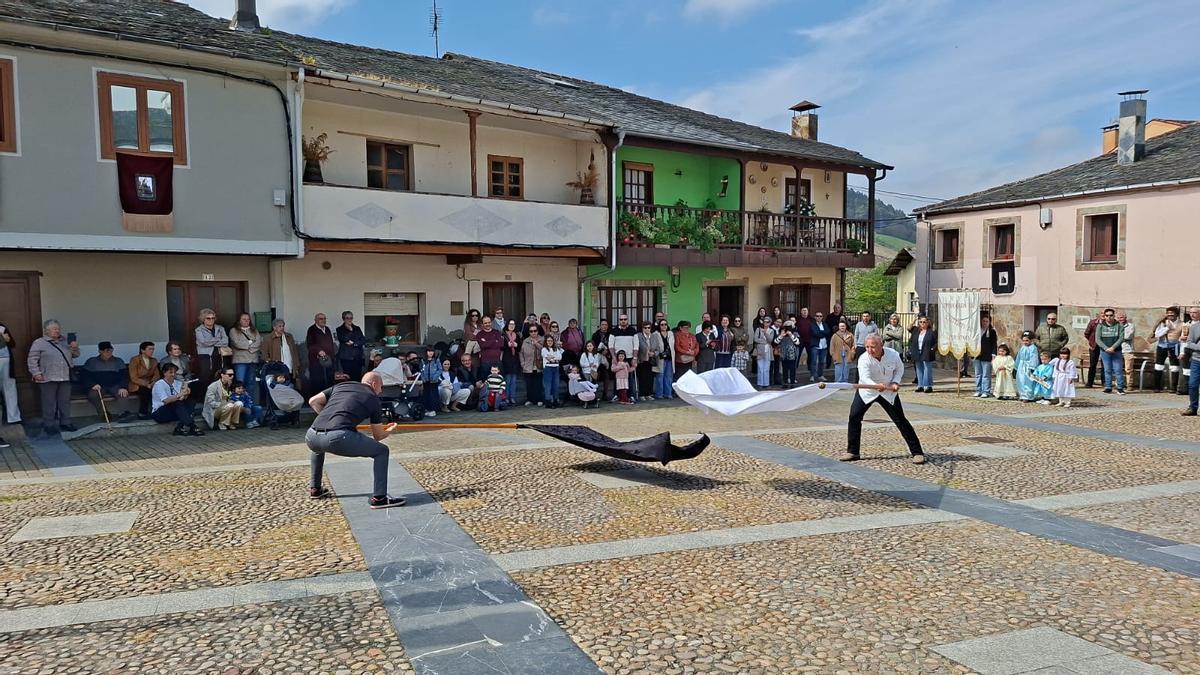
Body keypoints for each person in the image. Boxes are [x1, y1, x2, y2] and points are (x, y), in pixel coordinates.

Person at [306, 372, 404, 509]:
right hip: (338, 437)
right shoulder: (372, 398)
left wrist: (330, 419)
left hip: (312, 436)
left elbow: (313, 401)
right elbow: (378, 436)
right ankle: (379, 498)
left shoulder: (341, 386)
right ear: (374, 384)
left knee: (318, 448)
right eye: (381, 387)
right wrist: (390, 430)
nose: (381, 391)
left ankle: (315, 489)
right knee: (382, 451)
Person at [841, 334, 925, 464]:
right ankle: (853, 451)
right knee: (854, 416)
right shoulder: (864, 359)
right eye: (867, 347)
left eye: (873, 347)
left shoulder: (893, 355)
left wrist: (895, 382)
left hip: (888, 392)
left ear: (881, 345)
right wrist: (876, 386)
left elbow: (899, 369)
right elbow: (864, 377)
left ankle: (917, 452)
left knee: (900, 420)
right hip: (867, 391)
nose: (869, 350)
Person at [28, 320, 79, 435]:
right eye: (54, 328)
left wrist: (74, 348)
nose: (57, 331)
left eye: (58, 328)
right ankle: (49, 424)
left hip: (64, 376)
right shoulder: (39, 343)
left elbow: (75, 355)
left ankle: (65, 422)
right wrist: (36, 373)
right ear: (46, 330)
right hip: (48, 377)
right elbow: (32, 359)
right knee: (49, 402)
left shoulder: (65, 341)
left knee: (64, 401)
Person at [81, 341, 133, 421]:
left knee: (123, 393)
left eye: (110, 350)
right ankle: (104, 414)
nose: (109, 352)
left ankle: (124, 414)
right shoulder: (92, 361)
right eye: (106, 351)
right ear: (100, 351)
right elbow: (85, 376)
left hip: (115, 385)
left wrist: (123, 387)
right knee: (93, 395)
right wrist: (92, 384)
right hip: (99, 386)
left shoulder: (118, 361)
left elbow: (124, 376)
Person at [150, 363, 202, 436]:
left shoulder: (178, 383)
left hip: (175, 410)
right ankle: (192, 426)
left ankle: (179, 428)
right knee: (177, 403)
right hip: (160, 412)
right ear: (164, 373)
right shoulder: (159, 384)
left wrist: (186, 393)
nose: (173, 375)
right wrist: (179, 395)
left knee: (190, 402)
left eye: (175, 372)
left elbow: (181, 399)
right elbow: (166, 401)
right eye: (170, 372)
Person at [229, 313, 262, 404]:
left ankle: (250, 402)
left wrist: (248, 345)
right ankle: (239, 403)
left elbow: (258, 342)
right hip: (240, 361)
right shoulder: (233, 331)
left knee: (251, 383)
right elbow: (237, 343)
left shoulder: (254, 330)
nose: (246, 321)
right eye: (244, 319)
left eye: (248, 319)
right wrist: (251, 344)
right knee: (240, 383)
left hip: (253, 360)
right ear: (239, 320)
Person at [263, 319, 302, 392]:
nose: (282, 328)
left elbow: (294, 352)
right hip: (277, 369)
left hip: (290, 366)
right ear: (274, 327)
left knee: (291, 387)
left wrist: (296, 365)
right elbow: (264, 353)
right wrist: (269, 361)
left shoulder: (289, 336)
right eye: (280, 326)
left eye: (283, 326)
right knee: (278, 388)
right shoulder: (268, 338)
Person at [194, 309, 229, 387]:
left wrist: (211, 342)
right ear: (203, 319)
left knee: (219, 376)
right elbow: (203, 342)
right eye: (208, 318)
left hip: (219, 355)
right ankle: (206, 397)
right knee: (206, 377)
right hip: (205, 356)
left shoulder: (220, 328)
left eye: (213, 318)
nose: (211, 320)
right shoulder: (199, 330)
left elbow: (225, 341)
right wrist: (217, 339)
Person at [1095, 308, 1126, 394]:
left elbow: (1121, 338)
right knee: (1107, 369)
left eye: (1111, 315)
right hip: (1105, 352)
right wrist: (1106, 348)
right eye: (1107, 315)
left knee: (1118, 369)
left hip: (1116, 351)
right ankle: (1108, 387)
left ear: (1114, 316)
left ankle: (1120, 387)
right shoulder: (1100, 326)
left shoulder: (1119, 325)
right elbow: (1097, 339)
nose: (1109, 317)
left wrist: (1113, 347)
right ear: (1104, 316)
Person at [126, 341, 161, 419]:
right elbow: (133, 377)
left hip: (150, 382)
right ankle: (142, 413)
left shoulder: (154, 360)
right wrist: (146, 384)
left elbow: (156, 374)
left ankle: (158, 411)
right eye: (150, 349)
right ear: (143, 350)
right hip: (137, 383)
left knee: (158, 389)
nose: (152, 351)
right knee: (145, 391)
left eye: (153, 349)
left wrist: (153, 382)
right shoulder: (135, 360)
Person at [608, 314, 639, 400]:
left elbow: (636, 345)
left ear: (627, 320)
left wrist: (635, 358)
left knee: (629, 377)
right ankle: (616, 395)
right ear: (619, 320)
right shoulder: (614, 331)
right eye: (621, 319)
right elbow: (610, 345)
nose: (623, 321)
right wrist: (613, 357)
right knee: (617, 377)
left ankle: (630, 395)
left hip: (629, 357)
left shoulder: (633, 331)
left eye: (625, 319)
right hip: (618, 358)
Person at [306, 313, 337, 395]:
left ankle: (329, 399)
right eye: (320, 319)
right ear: (315, 320)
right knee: (318, 381)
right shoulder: (312, 330)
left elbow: (330, 343)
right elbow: (310, 344)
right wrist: (319, 350)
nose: (323, 320)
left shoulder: (327, 329)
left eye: (324, 318)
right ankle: (317, 401)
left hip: (328, 360)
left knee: (329, 380)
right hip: (317, 361)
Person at [0, 320, 23, 433]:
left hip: (7, 361)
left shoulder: (1, 326)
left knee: (10, 388)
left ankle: (14, 417)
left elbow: (12, 343)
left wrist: (7, 340)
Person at [1153, 306, 1183, 391]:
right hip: (1162, 346)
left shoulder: (1182, 324)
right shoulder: (1162, 323)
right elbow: (1157, 334)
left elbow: (1182, 336)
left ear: (1177, 315)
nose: (1170, 316)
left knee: (1175, 367)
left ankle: (1173, 387)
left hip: (1175, 347)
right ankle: (1157, 387)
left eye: (1172, 315)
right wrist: (1166, 328)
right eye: (1168, 315)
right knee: (1158, 366)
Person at [909, 316, 937, 393]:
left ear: (928, 323)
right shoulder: (916, 331)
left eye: (924, 322)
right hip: (917, 351)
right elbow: (909, 329)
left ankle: (928, 386)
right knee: (919, 369)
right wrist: (914, 320)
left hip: (927, 351)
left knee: (927, 369)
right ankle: (920, 385)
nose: (922, 324)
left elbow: (936, 342)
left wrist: (932, 349)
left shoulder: (931, 332)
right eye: (920, 322)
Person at [336, 311, 366, 381]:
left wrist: (354, 343)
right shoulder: (339, 329)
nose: (349, 320)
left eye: (351, 318)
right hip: (346, 358)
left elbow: (363, 340)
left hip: (358, 357)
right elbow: (344, 339)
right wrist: (350, 331)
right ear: (343, 319)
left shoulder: (357, 328)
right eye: (347, 318)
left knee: (358, 377)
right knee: (348, 378)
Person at [650, 320, 675, 399]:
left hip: (670, 357)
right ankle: (659, 394)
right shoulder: (655, 334)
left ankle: (668, 393)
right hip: (660, 357)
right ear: (659, 326)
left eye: (665, 324)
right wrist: (656, 354)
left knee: (669, 377)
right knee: (660, 376)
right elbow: (653, 347)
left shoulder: (671, 334)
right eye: (662, 324)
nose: (664, 326)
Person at [1182, 306, 1200, 416]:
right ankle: (1193, 407)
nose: (1192, 315)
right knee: (1192, 385)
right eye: (1191, 313)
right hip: (1196, 360)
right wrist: (1198, 347)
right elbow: (1189, 343)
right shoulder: (1194, 328)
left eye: (1195, 312)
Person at [475, 316, 504, 382]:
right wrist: (494, 340)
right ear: (482, 324)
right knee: (486, 382)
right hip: (485, 362)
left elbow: (501, 344)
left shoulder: (497, 332)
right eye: (485, 323)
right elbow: (482, 345)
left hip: (497, 361)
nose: (488, 324)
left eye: (489, 322)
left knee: (498, 382)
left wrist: (486, 341)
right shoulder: (479, 334)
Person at [520, 324, 544, 406]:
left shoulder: (542, 339)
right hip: (528, 366)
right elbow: (521, 353)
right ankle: (530, 399)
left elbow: (544, 350)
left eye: (535, 331)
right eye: (531, 331)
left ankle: (539, 399)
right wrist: (523, 364)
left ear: (537, 331)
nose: (533, 333)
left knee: (538, 384)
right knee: (529, 384)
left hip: (538, 366)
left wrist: (536, 344)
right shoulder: (525, 341)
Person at [974, 315, 997, 398]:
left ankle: (986, 391)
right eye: (983, 321)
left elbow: (994, 344)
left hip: (987, 356)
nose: (985, 323)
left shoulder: (992, 332)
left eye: (986, 321)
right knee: (978, 374)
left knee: (986, 375)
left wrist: (993, 355)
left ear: (989, 322)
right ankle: (978, 390)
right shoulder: (977, 330)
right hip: (977, 355)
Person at [500, 320, 522, 403]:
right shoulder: (503, 335)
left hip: (515, 360)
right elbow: (500, 347)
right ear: (507, 325)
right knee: (508, 380)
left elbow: (520, 348)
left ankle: (512, 397)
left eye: (513, 324)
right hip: (506, 359)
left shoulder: (517, 335)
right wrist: (507, 345)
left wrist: (517, 345)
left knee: (514, 380)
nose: (511, 325)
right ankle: (506, 397)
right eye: (510, 324)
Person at [1015, 331, 1040, 402]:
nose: (1025, 342)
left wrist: (1032, 367)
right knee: (1021, 380)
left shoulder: (1033, 348)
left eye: (1027, 340)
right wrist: (1016, 366)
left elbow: (1034, 357)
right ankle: (1022, 394)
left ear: (1031, 340)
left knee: (1028, 381)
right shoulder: (1022, 347)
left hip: (1028, 366)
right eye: (1023, 341)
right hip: (1021, 366)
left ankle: (1028, 396)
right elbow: (1019, 356)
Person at [418, 345, 442, 418]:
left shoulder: (436, 360)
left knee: (433, 395)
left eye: (432, 351)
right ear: (426, 352)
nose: (430, 353)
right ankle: (427, 409)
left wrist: (435, 377)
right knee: (426, 395)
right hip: (426, 381)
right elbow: (421, 370)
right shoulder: (423, 361)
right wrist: (423, 378)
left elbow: (440, 369)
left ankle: (433, 409)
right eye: (429, 351)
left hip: (434, 381)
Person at [1082, 311, 1104, 388]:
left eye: (1105, 314)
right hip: (1094, 346)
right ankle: (1090, 382)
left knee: (1104, 365)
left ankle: (1104, 383)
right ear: (1099, 315)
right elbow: (1086, 333)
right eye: (1102, 314)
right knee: (1092, 365)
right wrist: (1091, 342)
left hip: (1104, 346)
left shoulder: (1109, 324)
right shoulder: (1093, 322)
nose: (1104, 315)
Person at [541, 335, 563, 408]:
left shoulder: (556, 349)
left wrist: (553, 358)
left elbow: (559, 357)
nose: (550, 342)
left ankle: (555, 400)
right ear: (546, 342)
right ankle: (548, 401)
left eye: (551, 341)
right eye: (548, 341)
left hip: (556, 368)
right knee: (548, 386)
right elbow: (547, 357)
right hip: (548, 368)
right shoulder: (544, 349)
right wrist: (553, 358)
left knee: (556, 385)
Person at [636, 322, 656, 400]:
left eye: (648, 328)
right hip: (642, 360)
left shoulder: (654, 336)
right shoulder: (639, 336)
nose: (647, 329)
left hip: (651, 360)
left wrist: (653, 353)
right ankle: (642, 394)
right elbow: (637, 347)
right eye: (645, 328)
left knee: (650, 378)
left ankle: (649, 394)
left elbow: (657, 349)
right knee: (642, 378)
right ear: (642, 328)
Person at [776, 323, 801, 387]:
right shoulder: (781, 334)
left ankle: (792, 383)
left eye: (789, 327)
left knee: (792, 369)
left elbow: (798, 342)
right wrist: (781, 336)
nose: (788, 328)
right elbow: (776, 342)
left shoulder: (795, 334)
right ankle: (785, 383)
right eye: (786, 327)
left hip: (792, 355)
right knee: (785, 370)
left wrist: (791, 335)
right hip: (784, 354)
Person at [753, 320, 774, 387]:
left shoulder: (771, 331)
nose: (766, 323)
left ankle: (766, 383)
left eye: (768, 322)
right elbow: (755, 339)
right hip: (760, 350)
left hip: (768, 351)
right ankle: (760, 383)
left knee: (766, 368)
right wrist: (764, 342)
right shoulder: (758, 329)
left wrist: (765, 333)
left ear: (770, 323)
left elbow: (770, 340)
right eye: (765, 321)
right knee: (760, 368)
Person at [1117, 312, 1136, 389]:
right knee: (1117, 368)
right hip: (1117, 349)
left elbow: (1128, 336)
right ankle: (1119, 384)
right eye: (1118, 318)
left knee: (1128, 369)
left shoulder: (1131, 326)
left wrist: (1118, 337)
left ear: (1125, 318)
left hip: (1128, 350)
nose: (1120, 319)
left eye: (1121, 317)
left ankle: (1129, 385)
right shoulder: (1115, 326)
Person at [810, 311, 829, 383]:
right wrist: (822, 333)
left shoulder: (825, 324)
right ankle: (812, 375)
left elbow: (828, 332)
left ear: (822, 317)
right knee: (814, 361)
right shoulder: (812, 324)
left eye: (820, 316)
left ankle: (820, 375)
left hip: (824, 346)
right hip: (815, 345)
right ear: (815, 317)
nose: (819, 317)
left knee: (821, 361)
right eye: (817, 316)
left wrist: (821, 332)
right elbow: (815, 333)